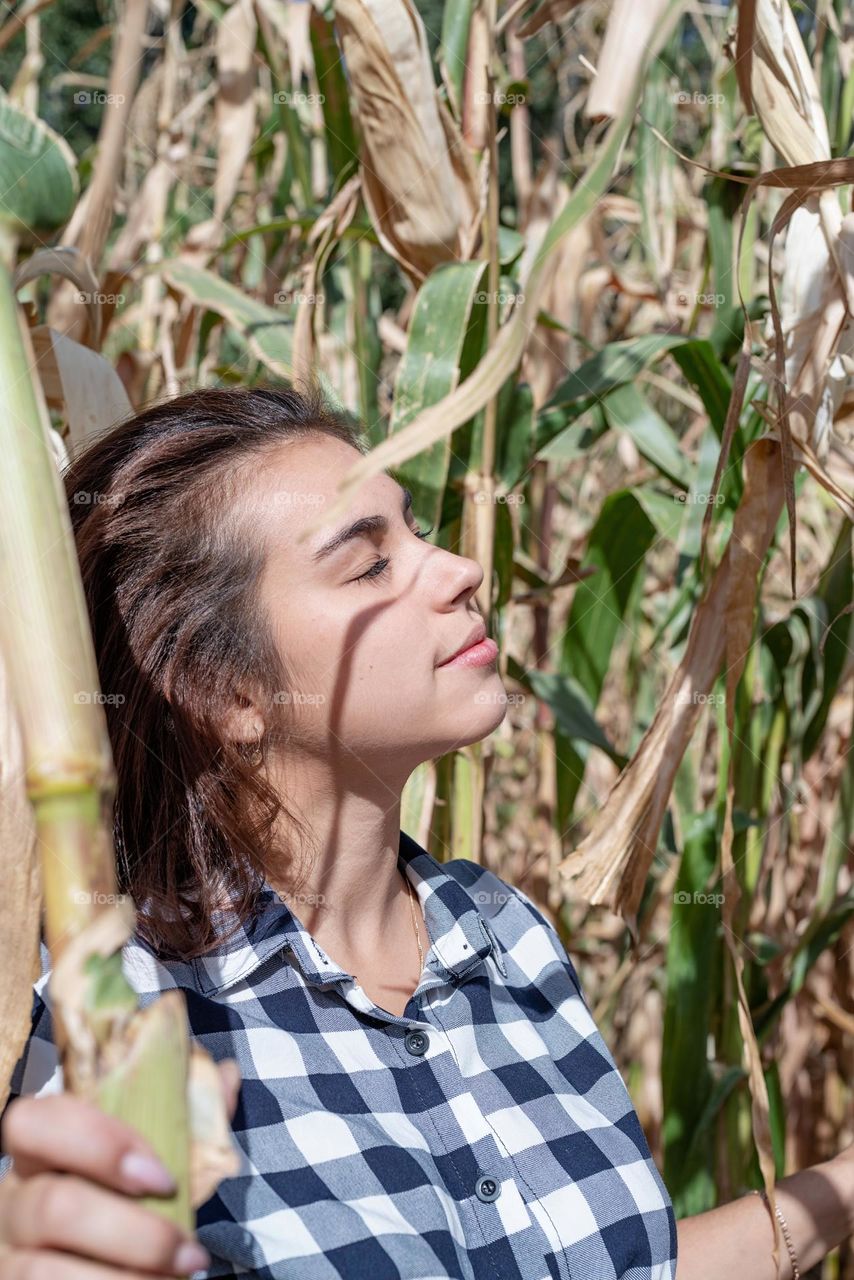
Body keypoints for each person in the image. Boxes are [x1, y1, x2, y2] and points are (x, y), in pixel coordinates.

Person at [0, 384, 851, 1280]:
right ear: (230, 694)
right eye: (369, 566)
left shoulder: (504, 934)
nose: (458, 570)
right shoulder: (124, 1014)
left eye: (417, 531)